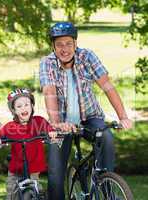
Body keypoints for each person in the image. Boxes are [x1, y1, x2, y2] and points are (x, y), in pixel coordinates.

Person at [39, 22, 133, 200]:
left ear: (75, 43)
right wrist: (57, 123)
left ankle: (107, 191)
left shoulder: (87, 56)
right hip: (62, 120)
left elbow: (108, 87)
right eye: (59, 44)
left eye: (68, 43)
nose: (64, 49)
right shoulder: (47, 63)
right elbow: (49, 93)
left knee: (106, 137)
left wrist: (123, 117)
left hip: (90, 116)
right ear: (53, 46)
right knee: (56, 177)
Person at [0, 88, 57, 200]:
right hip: (16, 168)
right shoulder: (10, 126)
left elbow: (47, 127)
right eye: (19, 106)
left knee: (36, 190)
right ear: (14, 110)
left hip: (33, 167)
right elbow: (0, 135)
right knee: (12, 191)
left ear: (32, 106)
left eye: (26, 104)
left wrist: (51, 132)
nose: (24, 108)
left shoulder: (38, 121)